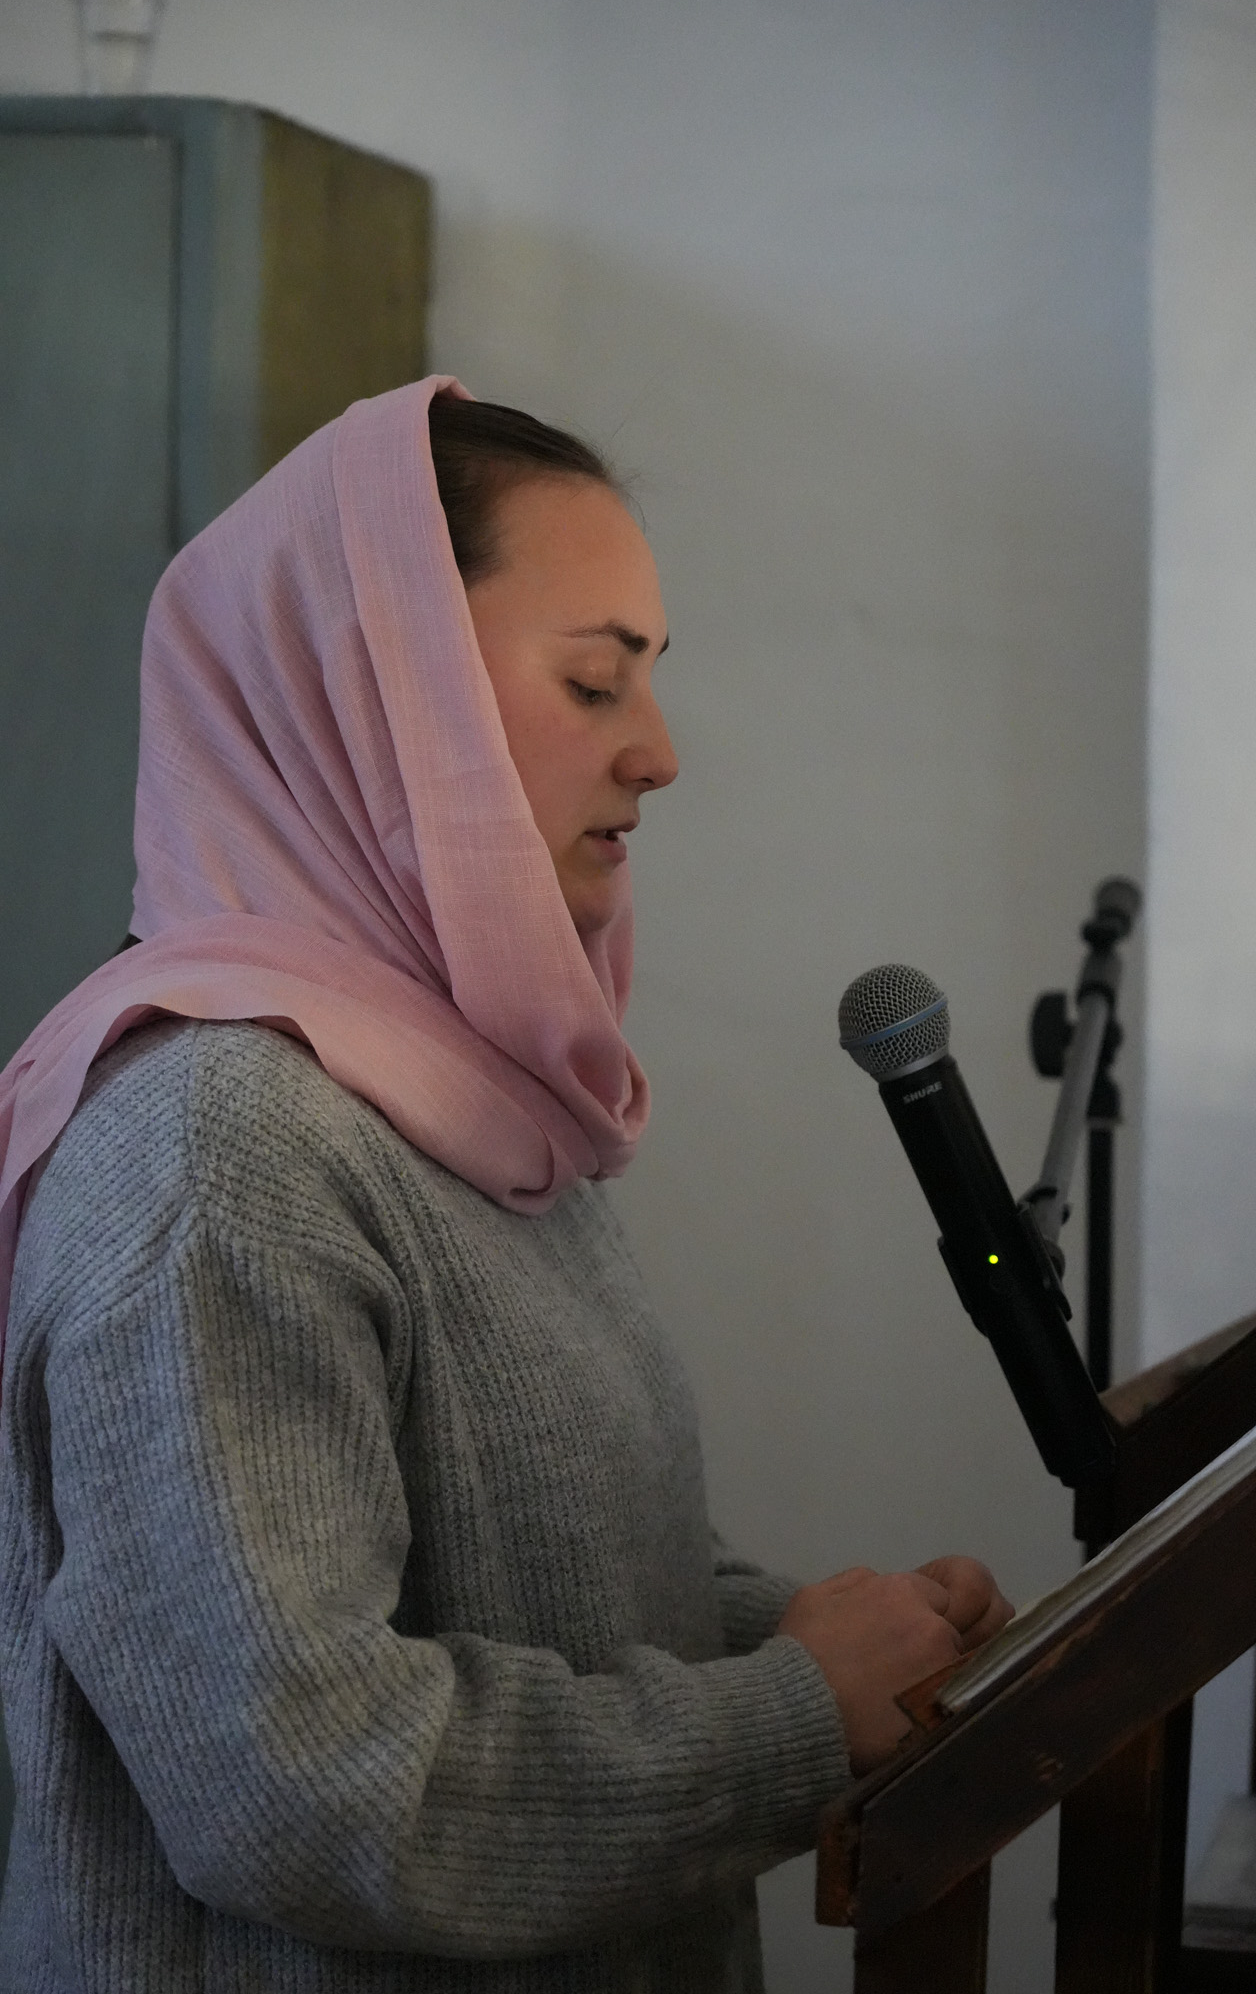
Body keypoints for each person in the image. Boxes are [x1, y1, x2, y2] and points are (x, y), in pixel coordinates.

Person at [0, 377, 1011, 1992]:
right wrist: (790, 1713)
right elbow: (300, 1786)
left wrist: (816, 1638)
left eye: (649, 680)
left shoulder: (458, 1103)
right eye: (594, 681)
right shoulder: (221, 1148)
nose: (658, 754)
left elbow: (541, 1582)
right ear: (378, 695)